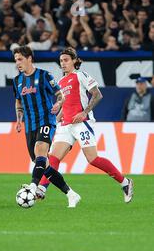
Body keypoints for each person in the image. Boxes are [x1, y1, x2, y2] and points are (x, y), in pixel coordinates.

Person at [37, 47, 134, 203]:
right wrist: (57, 117)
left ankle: (125, 182)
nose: (63, 63)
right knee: (53, 157)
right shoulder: (61, 82)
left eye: (66, 60)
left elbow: (97, 94)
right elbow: (65, 105)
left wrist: (84, 112)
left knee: (93, 159)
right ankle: (41, 188)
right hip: (66, 125)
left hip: (82, 123)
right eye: (61, 61)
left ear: (75, 60)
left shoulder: (80, 75)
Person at [13, 46, 81, 208]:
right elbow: (18, 101)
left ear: (29, 58)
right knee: (43, 165)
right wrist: (18, 119)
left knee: (41, 150)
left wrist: (58, 104)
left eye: (20, 59)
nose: (18, 63)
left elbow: (60, 94)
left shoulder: (44, 76)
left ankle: (33, 186)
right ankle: (71, 194)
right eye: (16, 60)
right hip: (30, 125)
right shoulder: (17, 81)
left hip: (46, 121)